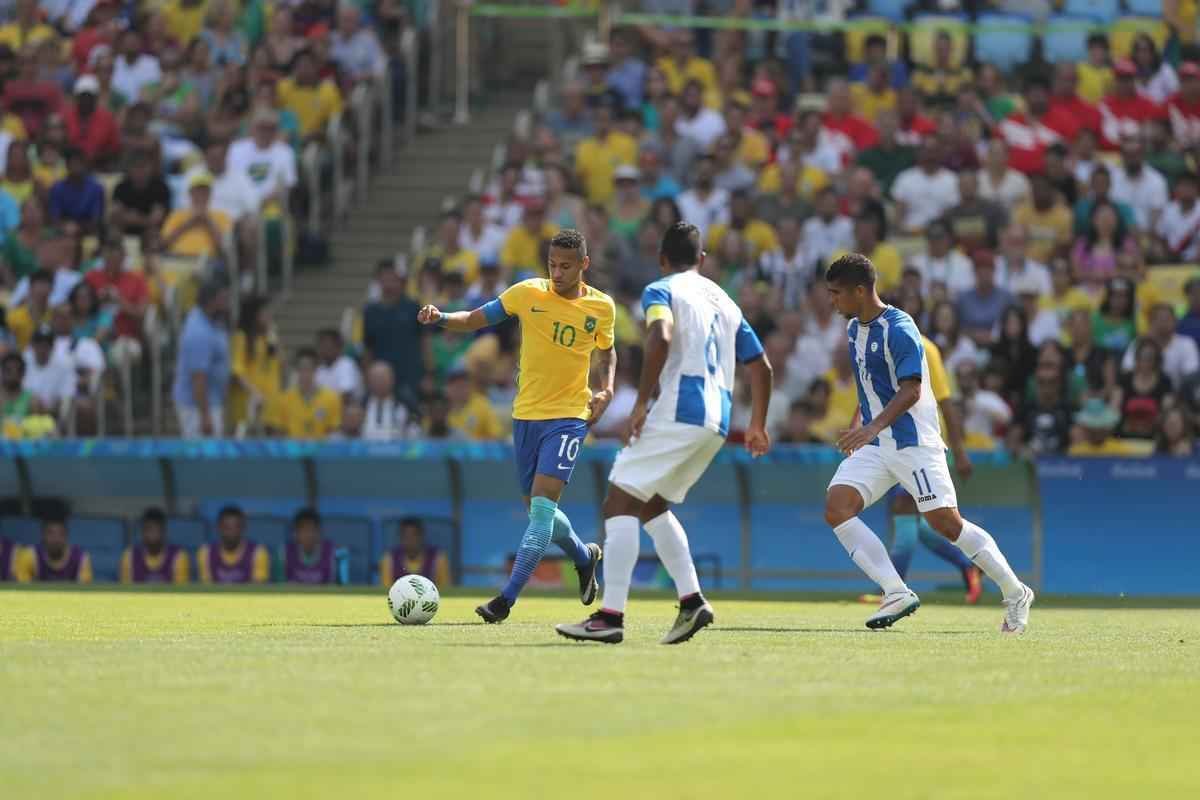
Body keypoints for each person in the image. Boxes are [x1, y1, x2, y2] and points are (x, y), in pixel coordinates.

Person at [556, 221, 772, 645]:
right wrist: (758, 423)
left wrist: (640, 404)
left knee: (618, 500)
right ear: (703, 260)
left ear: (661, 259)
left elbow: (660, 335)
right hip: (719, 419)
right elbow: (761, 366)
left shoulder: (661, 289)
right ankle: (692, 602)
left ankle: (610, 615)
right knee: (651, 505)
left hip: (681, 408)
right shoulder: (727, 302)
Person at [821, 253, 1033, 633]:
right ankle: (895, 591)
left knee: (946, 524)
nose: (832, 301)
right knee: (838, 507)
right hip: (876, 443)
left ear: (859, 290)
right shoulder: (855, 329)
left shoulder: (900, 328)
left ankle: (1015, 592)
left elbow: (912, 390)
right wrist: (860, 427)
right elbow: (870, 388)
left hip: (913, 442)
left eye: (837, 294)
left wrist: (870, 429)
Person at [417, 229, 614, 624]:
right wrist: (441, 318)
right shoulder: (528, 293)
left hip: (570, 417)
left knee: (541, 511)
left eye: (566, 266)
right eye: (552, 265)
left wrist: (606, 390)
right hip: (525, 416)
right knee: (538, 512)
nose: (557, 273)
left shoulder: (602, 308)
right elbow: (476, 319)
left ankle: (505, 600)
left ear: (584, 266)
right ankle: (585, 557)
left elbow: (608, 353)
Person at [363, 261, 425, 408]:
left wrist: (427, 372)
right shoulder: (370, 311)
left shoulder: (413, 307)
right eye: (385, 279)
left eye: (393, 279)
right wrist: (367, 376)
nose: (389, 284)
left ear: (401, 282)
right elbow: (368, 347)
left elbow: (424, 340)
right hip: (381, 376)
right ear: (378, 281)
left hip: (409, 373)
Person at [173, 280, 231, 438]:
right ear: (211, 301)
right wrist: (205, 416)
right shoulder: (198, 332)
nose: (227, 304)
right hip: (197, 408)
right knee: (203, 458)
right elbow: (198, 377)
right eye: (223, 299)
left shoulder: (214, 323)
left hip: (213, 401)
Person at [267, 348, 341, 439]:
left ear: (316, 370)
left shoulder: (331, 398)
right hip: (292, 451)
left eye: (309, 369)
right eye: (301, 369)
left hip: (321, 451)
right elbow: (279, 432)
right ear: (296, 371)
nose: (305, 374)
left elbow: (334, 431)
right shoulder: (284, 399)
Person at [197, 505, 269, 584]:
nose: (231, 533)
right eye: (227, 528)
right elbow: (206, 589)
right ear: (218, 528)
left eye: (236, 527)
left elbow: (258, 589)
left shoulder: (258, 552)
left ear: (243, 527)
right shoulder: (206, 552)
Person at [13, 513, 92, 582]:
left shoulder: (80, 558)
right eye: (50, 533)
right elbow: (22, 588)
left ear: (66, 536)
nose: (56, 539)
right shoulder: (29, 555)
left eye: (60, 534)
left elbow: (84, 591)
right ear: (43, 535)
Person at [119, 507, 189, 584]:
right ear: (142, 531)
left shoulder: (178, 556)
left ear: (164, 531)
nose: (152, 535)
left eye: (156, 530)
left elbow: (181, 591)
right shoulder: (129, 556)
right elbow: (126, 590)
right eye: (148, 529)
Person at [378, 516, 452, 588]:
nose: (410, 540)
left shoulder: (438, 558)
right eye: (406, 536)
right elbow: (385, 591)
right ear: (400, 537)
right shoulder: (389, 559)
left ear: (422, 536)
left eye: (414, 535)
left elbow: (446, 591)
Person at [360, 360, 419, 441]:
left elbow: (415, 432)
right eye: (376, 378)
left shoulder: (405, 404)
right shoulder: (361, 405)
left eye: (383, 378)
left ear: (392, 379)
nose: (379, 382)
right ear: (368, 381)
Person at [285, 507, 345, 585]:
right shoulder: (287, 551)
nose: (309, 535)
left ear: (319, 532)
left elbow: (332, 583)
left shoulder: (329, 551)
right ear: (296, 533)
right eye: (304, 530)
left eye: (312, 530)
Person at [314, 328, 362, 402]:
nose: (323, 349)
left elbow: (346, 397)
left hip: (348, 408)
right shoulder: (319, 369)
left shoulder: (347, 364)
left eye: (326, 345)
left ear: (338, 347)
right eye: (320, 345)